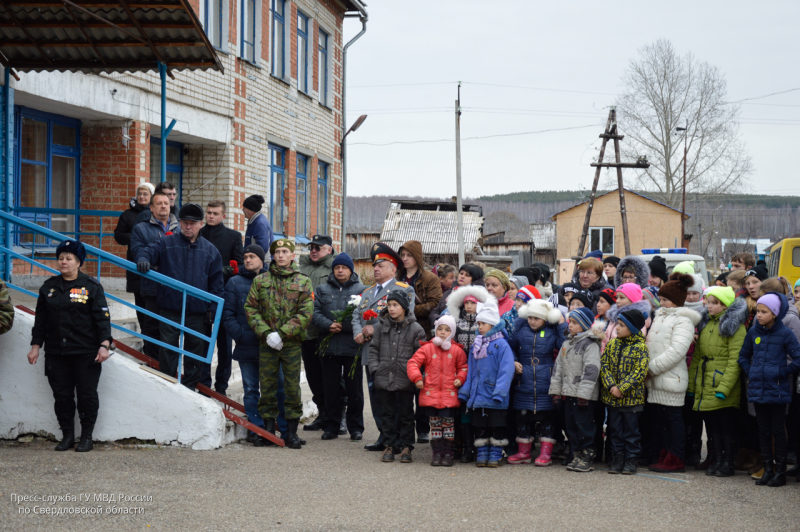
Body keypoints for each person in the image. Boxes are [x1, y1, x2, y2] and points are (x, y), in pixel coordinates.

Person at [27, 240, 113, 452]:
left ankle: (86, 437)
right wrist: (36, 346)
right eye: (61, 258)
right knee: (62, 396)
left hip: (85, 353)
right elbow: (41, 321)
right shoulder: (49, 287)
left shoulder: (91, 287)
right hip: (57, 352)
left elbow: (102, 319)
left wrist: (104, 345)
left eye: (69, 258)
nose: (63, 262)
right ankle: (67, 435)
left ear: (78, 262)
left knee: (86, 395)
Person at [136, 203, 224, 390]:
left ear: (201, 224)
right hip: (170, 309)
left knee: (195, 351)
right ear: (180, 223)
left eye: (192, 223)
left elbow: (217, 285)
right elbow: (146, 251)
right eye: (184, 222)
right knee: (168, 348)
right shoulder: (166, 243)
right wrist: (143, 259)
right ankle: (168, 386)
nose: (188, 226)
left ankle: (190, 388)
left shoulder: (210, 251)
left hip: (197, 312)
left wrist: (212, 310)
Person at [244, 238, 313, 449]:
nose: (281, 255)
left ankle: (291, 432)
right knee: (268, 386)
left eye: (285, 252)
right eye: (277, 252)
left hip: (290, 344)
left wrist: (282, 334)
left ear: (292, 256)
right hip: (267, 343)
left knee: (292, 388)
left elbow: (306, 312)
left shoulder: (303, 281)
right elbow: (251, 308)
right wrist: (266, 333)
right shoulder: (261, 281)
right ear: (273, 256)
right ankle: (267, 430)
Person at [352, 242, 416, 451]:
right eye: (375, 265)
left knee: (395, 397)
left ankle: (398, 438)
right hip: (370, 352)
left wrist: (374, 329)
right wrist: (358, 333)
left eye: (381, 265)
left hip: (393, 353)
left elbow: (405, 317)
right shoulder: (368, 292)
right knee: (377, 395)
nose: (376, 268)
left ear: (393, 268)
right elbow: (356, 315)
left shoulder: (404, 290)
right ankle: (384, 436)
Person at [223, 244, 288, 445]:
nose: (248, 260)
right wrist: (240, 335)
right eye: (245, 257)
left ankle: (283, 429)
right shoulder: (235, 283)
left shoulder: (273, 280)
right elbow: (228, 314)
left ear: (262, 259)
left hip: (271, 346)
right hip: (247, 345)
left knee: (279, 387)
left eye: (252, 256)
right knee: (251, 388)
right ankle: (256, 428)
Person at [739, 293, 800, 486]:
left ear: (774, 313)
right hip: (758, 388)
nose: (759, 315)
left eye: (764, 312)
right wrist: (752, 372)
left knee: (778, 431)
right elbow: (743, 356)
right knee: (763, 430)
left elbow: (797, 357)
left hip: (778, 390)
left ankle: (780, 471)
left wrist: (783, 372)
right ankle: (768, 468)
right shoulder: (754, 332)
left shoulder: (785, 334)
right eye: (758, 311)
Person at [644, 273, 701, 473]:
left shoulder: (683, 321)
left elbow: (677, 351)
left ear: (676, 301)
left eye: (666, 299)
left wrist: (652, 368)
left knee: (673, 421)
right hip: (655, 380)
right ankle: (663, 454)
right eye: (661, 299)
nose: (662, 303)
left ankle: (676, 457)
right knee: (661, 422)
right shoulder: (660, 317)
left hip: (671, 379)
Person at [687, 286, 747, 477]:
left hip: (721, 384)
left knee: (725, 427)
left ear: (724, 305)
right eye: (708, 302)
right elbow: (697, 357)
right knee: (712, 427)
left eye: (714, 303)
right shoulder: (707, 324)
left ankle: (727, 461)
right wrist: (692, 385)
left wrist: (725, 387)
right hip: (706, 383)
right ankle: (716, 459)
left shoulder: (734, 327)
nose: (709, 306)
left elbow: (735, 359)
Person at [311, 252, 366, 441]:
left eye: (344, 267)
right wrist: (328, 325)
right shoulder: (322, 289)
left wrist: (346, 326)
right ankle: (331, 426)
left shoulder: (362, 290)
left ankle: (356, 427)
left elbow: (365, 316)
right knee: (331, 389)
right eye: (337, 268)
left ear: (351, 270)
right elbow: (314, 312)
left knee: (354, 390)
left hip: (353, 347)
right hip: (330, 347)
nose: (340, 270)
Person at [368, 291, 426, 463]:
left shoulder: (416, 329)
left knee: (406, 414)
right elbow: (373, 350)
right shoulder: (381, 327)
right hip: (384, 378)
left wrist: (414, 374)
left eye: (395, 305)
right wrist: (375, 370)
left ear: (404, 307)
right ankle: (390, 445)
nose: (391, 309)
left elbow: (420, 354)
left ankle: (407, 446)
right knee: (387, 414)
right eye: (389, 305)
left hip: (404, 379)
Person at [507, 299, 565, 466]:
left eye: (536, 318)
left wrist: (561, 325)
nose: (532, 321)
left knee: (547, 418)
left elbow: (563, 346)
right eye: (530, 317)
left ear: (545, 319)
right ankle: (523, 452)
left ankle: (546, 453)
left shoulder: (552, 331)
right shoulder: (520, 329)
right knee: (522, 418)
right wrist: (514, 361)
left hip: (545, 378)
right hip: (523, 379)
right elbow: (510, 347)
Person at [458, 303, 515, 468]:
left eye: (482, 323)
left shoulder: (501, 345)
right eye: (478, 324)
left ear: (492, 324)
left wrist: (500, 392)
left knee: (496, 426)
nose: (479, 327)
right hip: (478, 395)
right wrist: (466, 392)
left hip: (494, 394)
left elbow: (506, 370)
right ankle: (482, 451)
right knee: (480, 425)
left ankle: (496, 452)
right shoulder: (477, 345)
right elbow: (471, 371)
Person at [407, 315, 467, 466]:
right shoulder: (427, 348)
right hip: (431, 395)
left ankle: (448, 453)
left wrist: (460, 378)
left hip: (449, 395)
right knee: (435, 426)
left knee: (448, 425)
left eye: (447, 330)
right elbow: (413, 362)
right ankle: (436, 453)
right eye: (440, 329)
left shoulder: (456, 350)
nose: (442, 332)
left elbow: (463, 367)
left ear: (452, 333)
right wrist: (417, 378)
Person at [550, 306, 603, 472]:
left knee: (584, 426)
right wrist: (556, 391)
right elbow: (558, 369)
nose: (570, 326)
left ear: (584, 325)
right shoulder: (566, 344)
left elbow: (592, 370)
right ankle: (575, 453)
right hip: (568, 393)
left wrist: (584, 394)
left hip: (582, 396)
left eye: (574, 323)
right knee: (571, 425)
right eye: (569, 322)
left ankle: (587, 455)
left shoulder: (590, 344)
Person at [199, 200, 244, 395]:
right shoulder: (198, 234)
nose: (210, 216)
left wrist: (228, 270)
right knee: (201, 342)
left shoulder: (233, 236)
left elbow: (240, 265)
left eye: (215, 213)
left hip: (224, 296)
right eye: (208, 212)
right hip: (200, 295)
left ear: (223, 215)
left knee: (224, 345)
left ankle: (221, 386)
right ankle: (203, 382)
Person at [129, 191, 178, 359]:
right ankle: (152, 363)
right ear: (151, 207)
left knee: (171, 331)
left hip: (174, 289)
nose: (164, 206)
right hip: (152, 288)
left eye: (166, 202)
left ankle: (168, 369)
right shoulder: (141, 228)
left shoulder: (180, 228)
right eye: (159, 203)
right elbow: (138, 251)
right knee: (151, 327)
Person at [600, 308, 650, 475]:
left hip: (631, 400)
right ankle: (617, 458)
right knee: (615, 431)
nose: (617, 328)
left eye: (621, 325)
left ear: (633, 328)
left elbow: (639, 372)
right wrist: (611, 386)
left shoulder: (640, 348)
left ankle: (631, 460)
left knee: (631, 432)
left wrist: (622, 388)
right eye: (617, 325)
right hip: (612, 398)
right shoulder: (612, 344)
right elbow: (604, 365)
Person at [299, 234, 335, 432]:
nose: (313, 250)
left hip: (327, 331)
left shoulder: (334, 268)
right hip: (307, 333)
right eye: (311, 247)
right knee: (313, 376)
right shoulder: (302, 266)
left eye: (318, 247)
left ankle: (338, 417)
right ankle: (323, 413)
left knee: (331, 378)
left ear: (328, 249)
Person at [113, 181, 153, 301]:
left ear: (152, 196)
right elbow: (118, 235)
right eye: (139, 194)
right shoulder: (127, 214)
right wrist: (137, 237)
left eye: (145, 194)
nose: (141, 197)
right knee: (139, 298)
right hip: (134, 259)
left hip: (154, 260)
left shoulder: (156, 213)